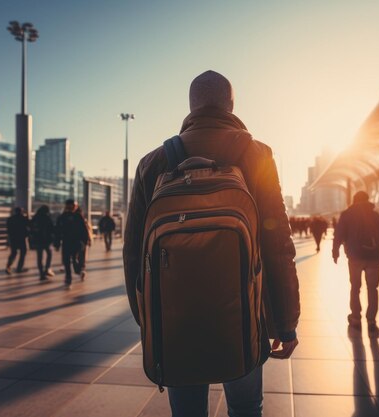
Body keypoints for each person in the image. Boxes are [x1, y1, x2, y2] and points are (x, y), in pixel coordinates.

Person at [123, 70, 300, 417]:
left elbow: (133, 253)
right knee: (247, 408)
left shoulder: (153, 162)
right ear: (231, 104)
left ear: (191, 106)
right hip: (247, 316)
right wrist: (285, 321)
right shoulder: (257, 155)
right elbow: (278, 243)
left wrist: (148, 321)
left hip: (175, 321)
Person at [332, 191, 379, 332]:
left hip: (355, 256)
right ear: (368, 200)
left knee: (355, 287)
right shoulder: (375, 215)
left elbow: (338, 234)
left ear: (353, 200)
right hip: (374, 257)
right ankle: (371, 320)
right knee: (372, 289)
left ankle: (356, 318)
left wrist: (336, 252)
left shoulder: (347, 214)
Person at [55, 200, 89, 289]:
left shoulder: (62, 217)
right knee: (74, 259)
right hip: (76, 242)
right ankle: (77, 272)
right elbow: (84, 230)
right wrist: (85, 241)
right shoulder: (78, 216)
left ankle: (69, 278)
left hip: (67, 242)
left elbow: (57, 231)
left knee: (67, 260)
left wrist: (57, 243)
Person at [29, 205, 55, 282]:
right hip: (46, 240)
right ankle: (47, 269)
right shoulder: (47, 218)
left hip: (37, 240)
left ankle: (41, 274)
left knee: (39, 257)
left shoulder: (35, 217)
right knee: (49, 254)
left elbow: (31, 227)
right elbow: (51, 228)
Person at [5, 207, 30, 274]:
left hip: (13, 238)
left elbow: (8, 229)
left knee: (13, 253)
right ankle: (19, 268)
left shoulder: (10, 219)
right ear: (21, 211)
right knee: (23, 253)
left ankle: (8, 266)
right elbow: (29, 225)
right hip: (22, 238)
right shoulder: (23, 218)